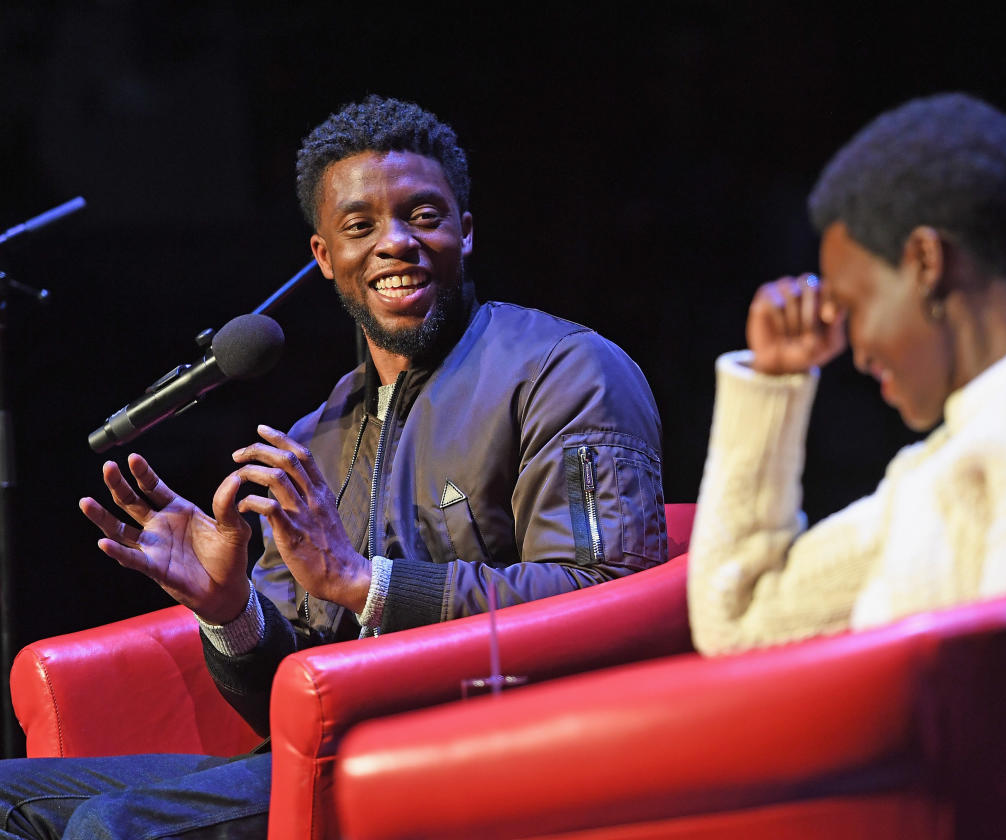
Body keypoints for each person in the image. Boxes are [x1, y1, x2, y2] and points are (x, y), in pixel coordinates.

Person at [0, 96, 665, 838]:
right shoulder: (315, 438)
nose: (395, 243)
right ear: (324, 256)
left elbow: (605, 599)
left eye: (423, 216)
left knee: (112, 826)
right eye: (360, 226)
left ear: (465, 233)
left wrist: (362, 583)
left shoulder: (565, 372)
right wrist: (231, 612)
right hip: (334, 747)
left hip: (486, 746)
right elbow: (279, 704)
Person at [688, 92, 1006, 656]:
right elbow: (737, 618)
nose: (854, 350)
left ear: (927, 262)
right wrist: (770, 384)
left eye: (853, 306)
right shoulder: (945, 461)